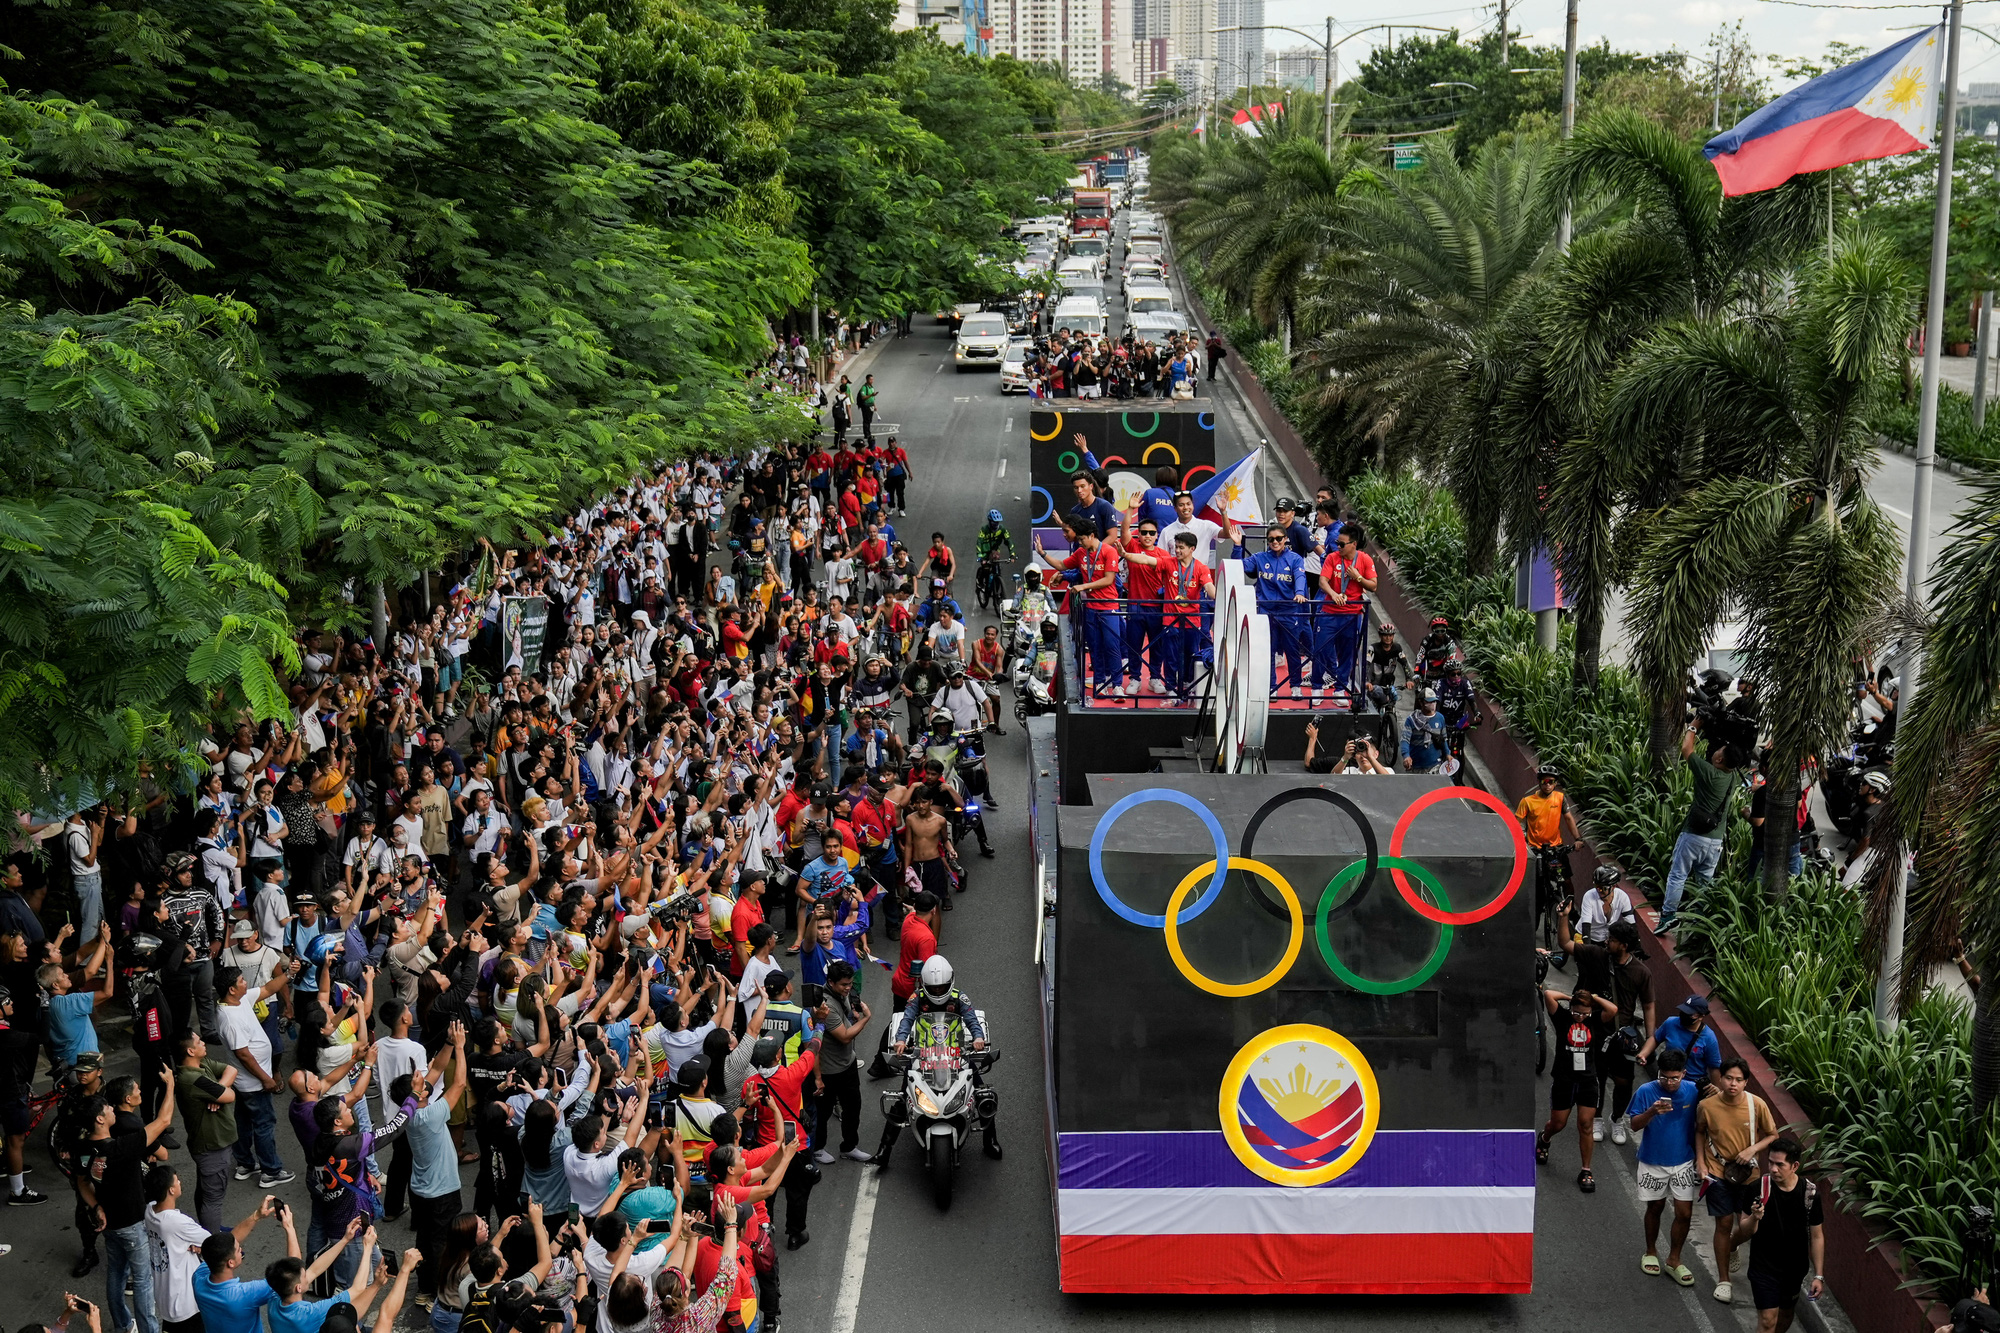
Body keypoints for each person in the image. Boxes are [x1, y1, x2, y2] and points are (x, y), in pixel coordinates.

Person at [75, 1070, 180, 1333]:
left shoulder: (84, 1148)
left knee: (116, 1275)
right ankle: (149, 1330)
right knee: (143, 1281)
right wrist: (170, 1085)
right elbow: (164, 1118)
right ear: (100, 1119)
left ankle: (123, 1325)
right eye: (107, 1108)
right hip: (132, 1223)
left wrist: (96, 1206)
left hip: (109, 1224)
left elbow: (81, 1181)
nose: (112, 1109)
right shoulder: (122, 1147)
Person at [876, 954, 998, 1165]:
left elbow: (971, 1019)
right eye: (934, 988)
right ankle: (884, 1150)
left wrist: (978, 1037)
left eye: (942, 987)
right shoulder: (917, 998)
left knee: (983, 1095)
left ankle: (991, 1140)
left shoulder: (960, 998)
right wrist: (901, 1040)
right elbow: (906, 1020)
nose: (938, 991)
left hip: (956, 1053)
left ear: (950, 982)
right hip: (922, 1055)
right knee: (902, 1100)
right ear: (924, 985)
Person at [1697, 1058, 1781, 1305]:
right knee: (1723, 1223)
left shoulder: (1757, 1104)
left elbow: (1773, 1135)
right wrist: (1701, 1164)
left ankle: (1732, 1246)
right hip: (1717, 1172)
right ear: (1720, 1079)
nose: (1733, 1084)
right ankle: (1724, 1280)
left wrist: (1752, 1149)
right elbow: (1699, 1131)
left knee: (1749, 1225)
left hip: (1750, 1176)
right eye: (1728, 1078)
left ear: (1746, 1082)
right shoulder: (1706, 1106)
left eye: (1738, 1080)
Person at [216, 962, 295, 1187]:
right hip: (252, 1083)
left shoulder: (239, 1001)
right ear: (231, 989)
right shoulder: (229, 1019)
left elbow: (268, 989)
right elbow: (244, 1055)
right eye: (241, 981)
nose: (245, 983)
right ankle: (270, 1171)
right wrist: (266, 1079)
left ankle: (246, 1164)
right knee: (264, 1124)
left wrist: (289, 974)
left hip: (244, 1081)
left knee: (244, 1122)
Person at [1627, 1047, 1700, 1287]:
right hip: (1652, 1161)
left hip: (1683, 1161)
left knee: (1684, 1213)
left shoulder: (1693, 1091)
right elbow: (1634, 1125)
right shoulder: (1646, 1091)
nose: (1668, 1082)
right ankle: (1650, 1251)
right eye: (1664, 1077)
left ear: (1684, 1073)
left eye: (1674, 1077)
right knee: (1655, 1207)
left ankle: (1674, 1259)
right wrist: (1652, 1111)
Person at [1736, 1135, 1825, 1330]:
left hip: (1794, 1269)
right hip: (1764, 1267)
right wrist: (1754, 1217)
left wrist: (1818, 1275)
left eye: (1779, 1164)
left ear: (1794, 1166)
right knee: (1768, 1320)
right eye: (1770, 1162)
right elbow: (1745, 1229)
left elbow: (1817, 1236)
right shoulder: (1757, 1189)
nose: (1773, 1169)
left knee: (1785, 1317)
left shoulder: (1809, 1194)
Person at [1535, 984, 1617, 1194]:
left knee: (1586, 1125)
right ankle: (1545, 1138)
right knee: (1558, 1123)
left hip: (1588, 1080)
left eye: (1584, 1013)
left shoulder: (1595, 1021)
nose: (1579, 1016)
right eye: (1576, 1012)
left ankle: (1586, 1170)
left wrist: (1593, 998)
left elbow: (1613, 1010)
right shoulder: (1562, 1018)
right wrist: (1571, 997)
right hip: (1564, 1079)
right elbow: (1549, 994)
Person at [1660, 725, 1743, 930]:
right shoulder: (1733, 776)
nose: (1715, 751)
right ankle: (1699, 920)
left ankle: (1667, 917)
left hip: (1694, 836)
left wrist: (1694, 726)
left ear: (1719, 760)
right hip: (1716, 841)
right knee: (1705, 882)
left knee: (1678, 874)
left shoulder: (1709, 773)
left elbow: (1687, 748)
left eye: (1719, 751)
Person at [174, 1030, 242, 1233]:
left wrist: (217, 1090)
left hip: (210, 1143)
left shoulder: (201, 1066)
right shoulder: (193, 1079)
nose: (203, 1042)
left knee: (205, 1192)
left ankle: (208, 1229)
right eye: (198, 1041)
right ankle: (213, 1243)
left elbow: (232, 1069)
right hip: (212, 1145)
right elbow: (230, 1096)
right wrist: (220, 1093)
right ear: (190, 1050)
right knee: (213, 1198)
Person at [870, 890, 938, 1078]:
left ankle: (881, 1063)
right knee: (908, 1023)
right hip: (912, 988)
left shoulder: (909, 921)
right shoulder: (926, 938)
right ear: (933, 910)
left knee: (897, 1021)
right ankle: (885, 1062)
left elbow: (911, 914)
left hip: (900, 980)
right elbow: (927, 970)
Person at [811, 960, 872, 1164]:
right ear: (831, 982)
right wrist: (865, 1018)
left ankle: (849, 1147)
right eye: (844, 985)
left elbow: (846, 1018)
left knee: (853, 1107)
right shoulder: (825, 1006)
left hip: (848, 1063)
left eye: (850, 983)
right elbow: (845, 1036)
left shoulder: (841, 995)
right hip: (830, 1070)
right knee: (823, 1112)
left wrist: (852, 1015)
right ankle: (817, 1148)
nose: (848, 988)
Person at [1244, 525, 1308, 696]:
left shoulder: (1295, 559)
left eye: (1278, 538)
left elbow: (1300, 576)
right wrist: (1237, 546)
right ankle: (1271, 686)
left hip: (1288, 610)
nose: (1275, 542)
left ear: (1285, 539)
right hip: (1266, 611)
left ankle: (1296, 686)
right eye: (1271, 539)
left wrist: (1300, 593)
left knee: (1292, 650)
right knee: (1268, 650)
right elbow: (1240, 566)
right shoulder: (1259, 557)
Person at [43, 920, 116, 1070]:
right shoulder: (69, 1002)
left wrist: (98, 938)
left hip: (65, 1061)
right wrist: (107, 952)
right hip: (82, 1063)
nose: (67, 976)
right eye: (63, 975)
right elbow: (97, 980)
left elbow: (81, 954)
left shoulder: (48, 984)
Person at [1313, 522, 1375, 698]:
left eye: (1341, 544)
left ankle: (1340, 689)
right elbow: (1322, 581)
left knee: (1347, 653)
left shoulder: (1364, 559)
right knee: (1321, 649)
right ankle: (1317, 687)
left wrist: (1358, 577)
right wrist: (1333, 594)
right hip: (1329, 612)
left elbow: (1373, 586)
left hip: (1352, 615)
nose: (1337, 546)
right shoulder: (1332, 558)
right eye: (1337, 543)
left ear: (1353, 544)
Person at [1639, 995, 1723, 1091]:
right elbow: (1655, 1038)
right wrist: (1643, 1054)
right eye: (1684, 1011)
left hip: (1692, 1086)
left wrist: (1717, 1094)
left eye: (1690, 1014)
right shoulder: (1670, 1023)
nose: (1685, 1015)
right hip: (1667, 1080)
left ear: (1701, 1017)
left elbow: (1714, 1068)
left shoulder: (1709, 1037)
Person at [1400, 690, 1448, 772]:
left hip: (1435, 765)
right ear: (1421, 702)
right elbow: (1405, 739)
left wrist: (1448, 754)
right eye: (1429, 702)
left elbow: (1444, 738)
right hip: (1416, 766)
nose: (1432, 704)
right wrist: (1406, 756)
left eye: (1434, 701)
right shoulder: (1411, 720)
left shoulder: (1440, 718)